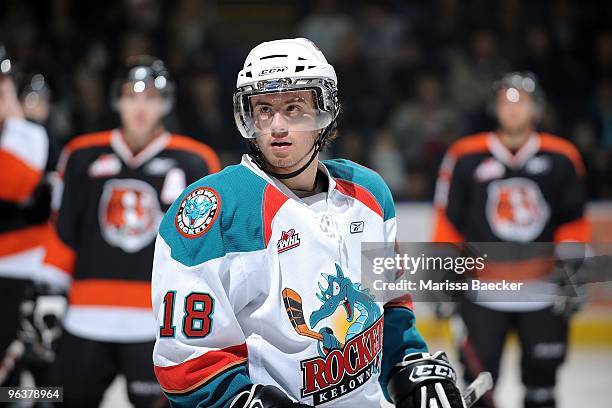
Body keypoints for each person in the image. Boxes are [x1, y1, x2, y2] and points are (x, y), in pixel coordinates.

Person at [151, 38, 465, 408]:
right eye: (264, 109)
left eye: (294, 108)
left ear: (324, 113)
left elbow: (390, 303)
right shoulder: (214, 211)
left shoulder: (369, 193)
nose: (277, 126)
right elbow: (186, 359)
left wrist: (407, 364)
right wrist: (242, 402)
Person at [44, 55, 221, 407]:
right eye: (132, 95)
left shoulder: (195, 160)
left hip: (156, 321)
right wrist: (49, 290)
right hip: (84, 315)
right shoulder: (80, 154)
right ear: (117, 99)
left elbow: (206, 246)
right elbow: (63, 230)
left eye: (151, 97)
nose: (140, 107)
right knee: (55, 399)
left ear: (166, 103)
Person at [432, 72, 590, 408]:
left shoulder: (562, 157)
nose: (513, 110)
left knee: (542, 389)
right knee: (480, 391)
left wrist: (574, 272)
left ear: (537, 109)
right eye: (506, 101)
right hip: (482, 293)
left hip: (542, 292)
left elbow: (573, 223)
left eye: (522, 102)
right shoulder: (465, 155)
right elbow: (448, 223)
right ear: (495, 108)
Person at [0, 45, 63, 387]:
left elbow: (20, 188)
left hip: (25, 262)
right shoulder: (28, 136)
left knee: (39, 364)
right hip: (19, 261)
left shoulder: (37, 138)